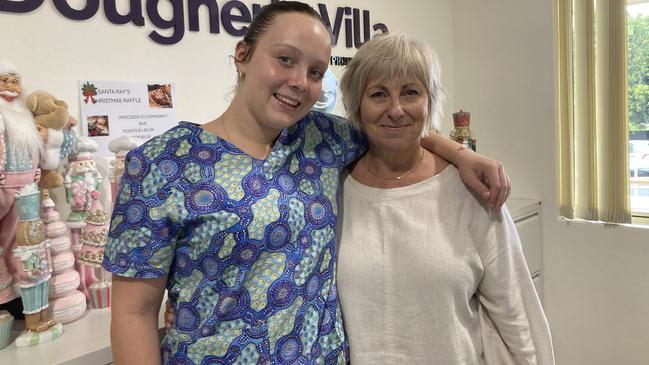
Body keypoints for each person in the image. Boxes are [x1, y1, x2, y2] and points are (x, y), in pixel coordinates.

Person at [103, 2, 511, 364]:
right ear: (242, 56)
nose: (300, 81)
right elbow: (133, 313)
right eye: (285, 59)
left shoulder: (324, 139)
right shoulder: (163, 164)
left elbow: (395, 124)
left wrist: (462, 154)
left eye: (315, 72)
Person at [335, 33, 554, 364]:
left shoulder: (471, 191)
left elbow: (517, 314)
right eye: (378, 94)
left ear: (430, 101)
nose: (395, 110)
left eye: (411, 92)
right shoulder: (335, 190)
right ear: (357, 104)